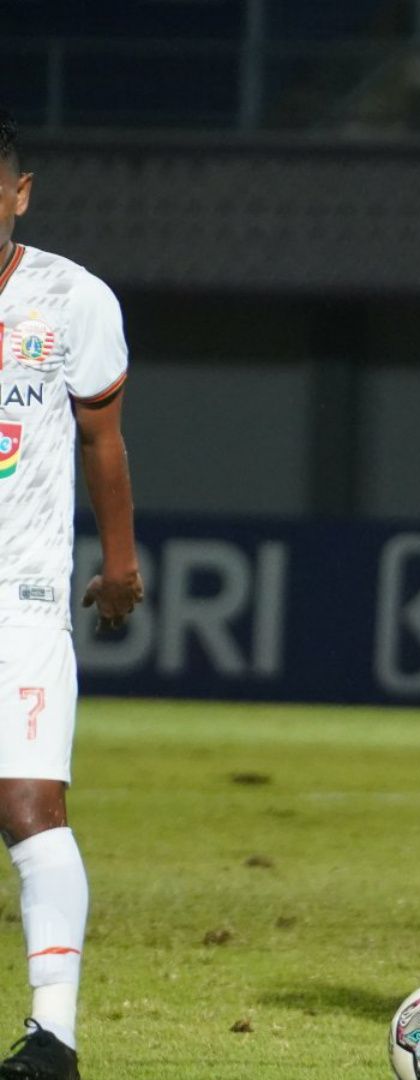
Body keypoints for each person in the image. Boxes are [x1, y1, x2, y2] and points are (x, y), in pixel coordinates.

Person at [0, 107, 144, 1080]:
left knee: (29, 803)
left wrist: (122, 563)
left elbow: (103, 440)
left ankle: (54, 1034)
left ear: (17, 195)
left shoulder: (70, 299)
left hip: (20, 595)